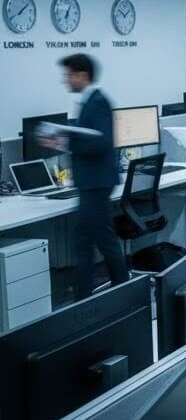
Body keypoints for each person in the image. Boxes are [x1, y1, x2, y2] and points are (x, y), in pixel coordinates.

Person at [44, 54, 129, 300]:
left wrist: (65, 142)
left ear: (82, 75)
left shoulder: (98, 102)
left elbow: (101, 142)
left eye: (69, 75)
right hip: (92, 181)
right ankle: (103, 292)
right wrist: (63, 142)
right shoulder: (89, 101)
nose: (65, 80)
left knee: (92, 240)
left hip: (96, 182)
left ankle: (89, 297)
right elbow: (91, 139)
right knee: (95, 239)